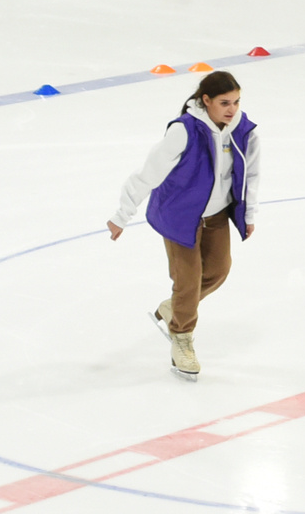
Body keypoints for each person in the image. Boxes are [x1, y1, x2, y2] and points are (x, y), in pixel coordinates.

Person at [107, 69, 261, 383]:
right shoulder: (185, 131)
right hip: (180, 216)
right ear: (206, 101)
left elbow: (252, 175)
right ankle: (181, 337)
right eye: (224, 102)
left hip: (217, 216)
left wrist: (248, 215)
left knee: (218, 271)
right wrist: (122, 215)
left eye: (236, 102)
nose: (232, 109)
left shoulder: (244, 131)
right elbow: (148, 173)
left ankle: (175, 306)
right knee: (188, 281)